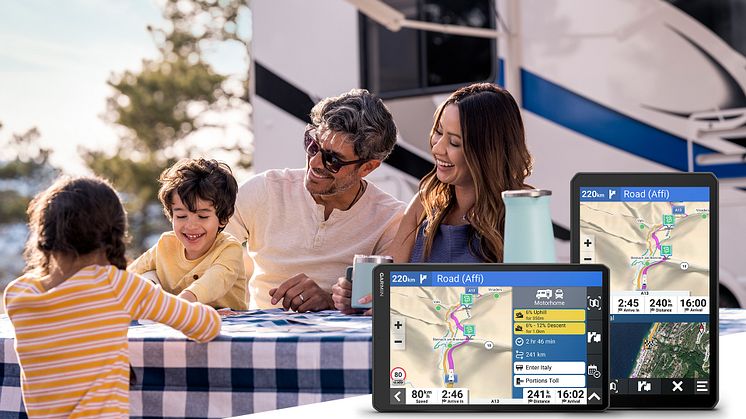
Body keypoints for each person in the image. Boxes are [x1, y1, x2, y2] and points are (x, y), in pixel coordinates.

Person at [3, 177, 221, 418]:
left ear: (44, 233)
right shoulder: (116, 285)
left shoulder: (18, 294)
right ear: (114, 234)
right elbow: (204, 326)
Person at [332, 82, 533, 313]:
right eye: (438, 133)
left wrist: (408, 303)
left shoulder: (522, 209)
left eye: (454, 142)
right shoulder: (425, 203)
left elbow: (521, 303)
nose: (438, 148)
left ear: (487, 151)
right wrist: (357, 296)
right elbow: (386, 285)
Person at [225, 88, 405, 311]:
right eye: (313, 146)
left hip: (344, 342)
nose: (316, 163)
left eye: (333, 160)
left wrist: (331, 301)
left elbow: (384, 304)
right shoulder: (264, 190)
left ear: (367, 167)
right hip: (262, 337)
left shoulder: (391, 219)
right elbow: (206, 252)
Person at [129, 158, 247, 310]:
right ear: (171, 215)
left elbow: (215, 281)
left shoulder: (229, 248)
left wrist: (177, 305)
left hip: (227, 326)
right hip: (177, 324)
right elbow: (131, 273)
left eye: (202, 216)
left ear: (223, 218)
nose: (191, 226)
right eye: (181, 216)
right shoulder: (166, 244)